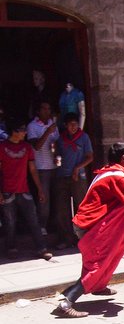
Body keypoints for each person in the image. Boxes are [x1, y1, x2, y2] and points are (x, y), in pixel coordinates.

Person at [52, 142, 124, 318]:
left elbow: (119, 203)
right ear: (123, 158)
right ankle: (66, 302)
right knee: (97, 266)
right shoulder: (117, 177)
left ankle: (96, 287)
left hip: (85, 223)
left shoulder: (109, 172)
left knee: (95, 263)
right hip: (90, 226)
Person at [0, 118, 53, 260]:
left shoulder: (27, 147)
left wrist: (40, 189)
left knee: (33, 220)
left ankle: (41, 248)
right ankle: (11, 247)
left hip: (24, 190)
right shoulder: (2, 147)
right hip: (7, 190)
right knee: (9, 222)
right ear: (14, 132)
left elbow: (32, 169)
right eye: (22, 130)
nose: (25, 132)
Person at [53, 112, 94, 249]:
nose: (73, 127)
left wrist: (77, 168)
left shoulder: (83, 137)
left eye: (75, 124)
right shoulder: (61, 139)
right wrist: (55, 157)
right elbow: (58, 155)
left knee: (81, 208)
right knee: (62, 210)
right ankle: (65, 238)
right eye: (70, 125)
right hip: (62, 176)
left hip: (78, 177)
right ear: (65, 125)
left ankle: (82, 238)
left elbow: (89, 157)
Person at [26, 101, 59, 236]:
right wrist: (47, 132)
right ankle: (41, 226)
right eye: (44, 108)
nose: (47, 111)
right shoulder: (32, 126)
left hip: (55, 166)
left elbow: (57, 143)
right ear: (38, 111)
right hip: (41, 168)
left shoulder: (53, 124)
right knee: (43, 199)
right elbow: (36, 146)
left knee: (58, 198)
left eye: (49, 108)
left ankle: (56, 225)